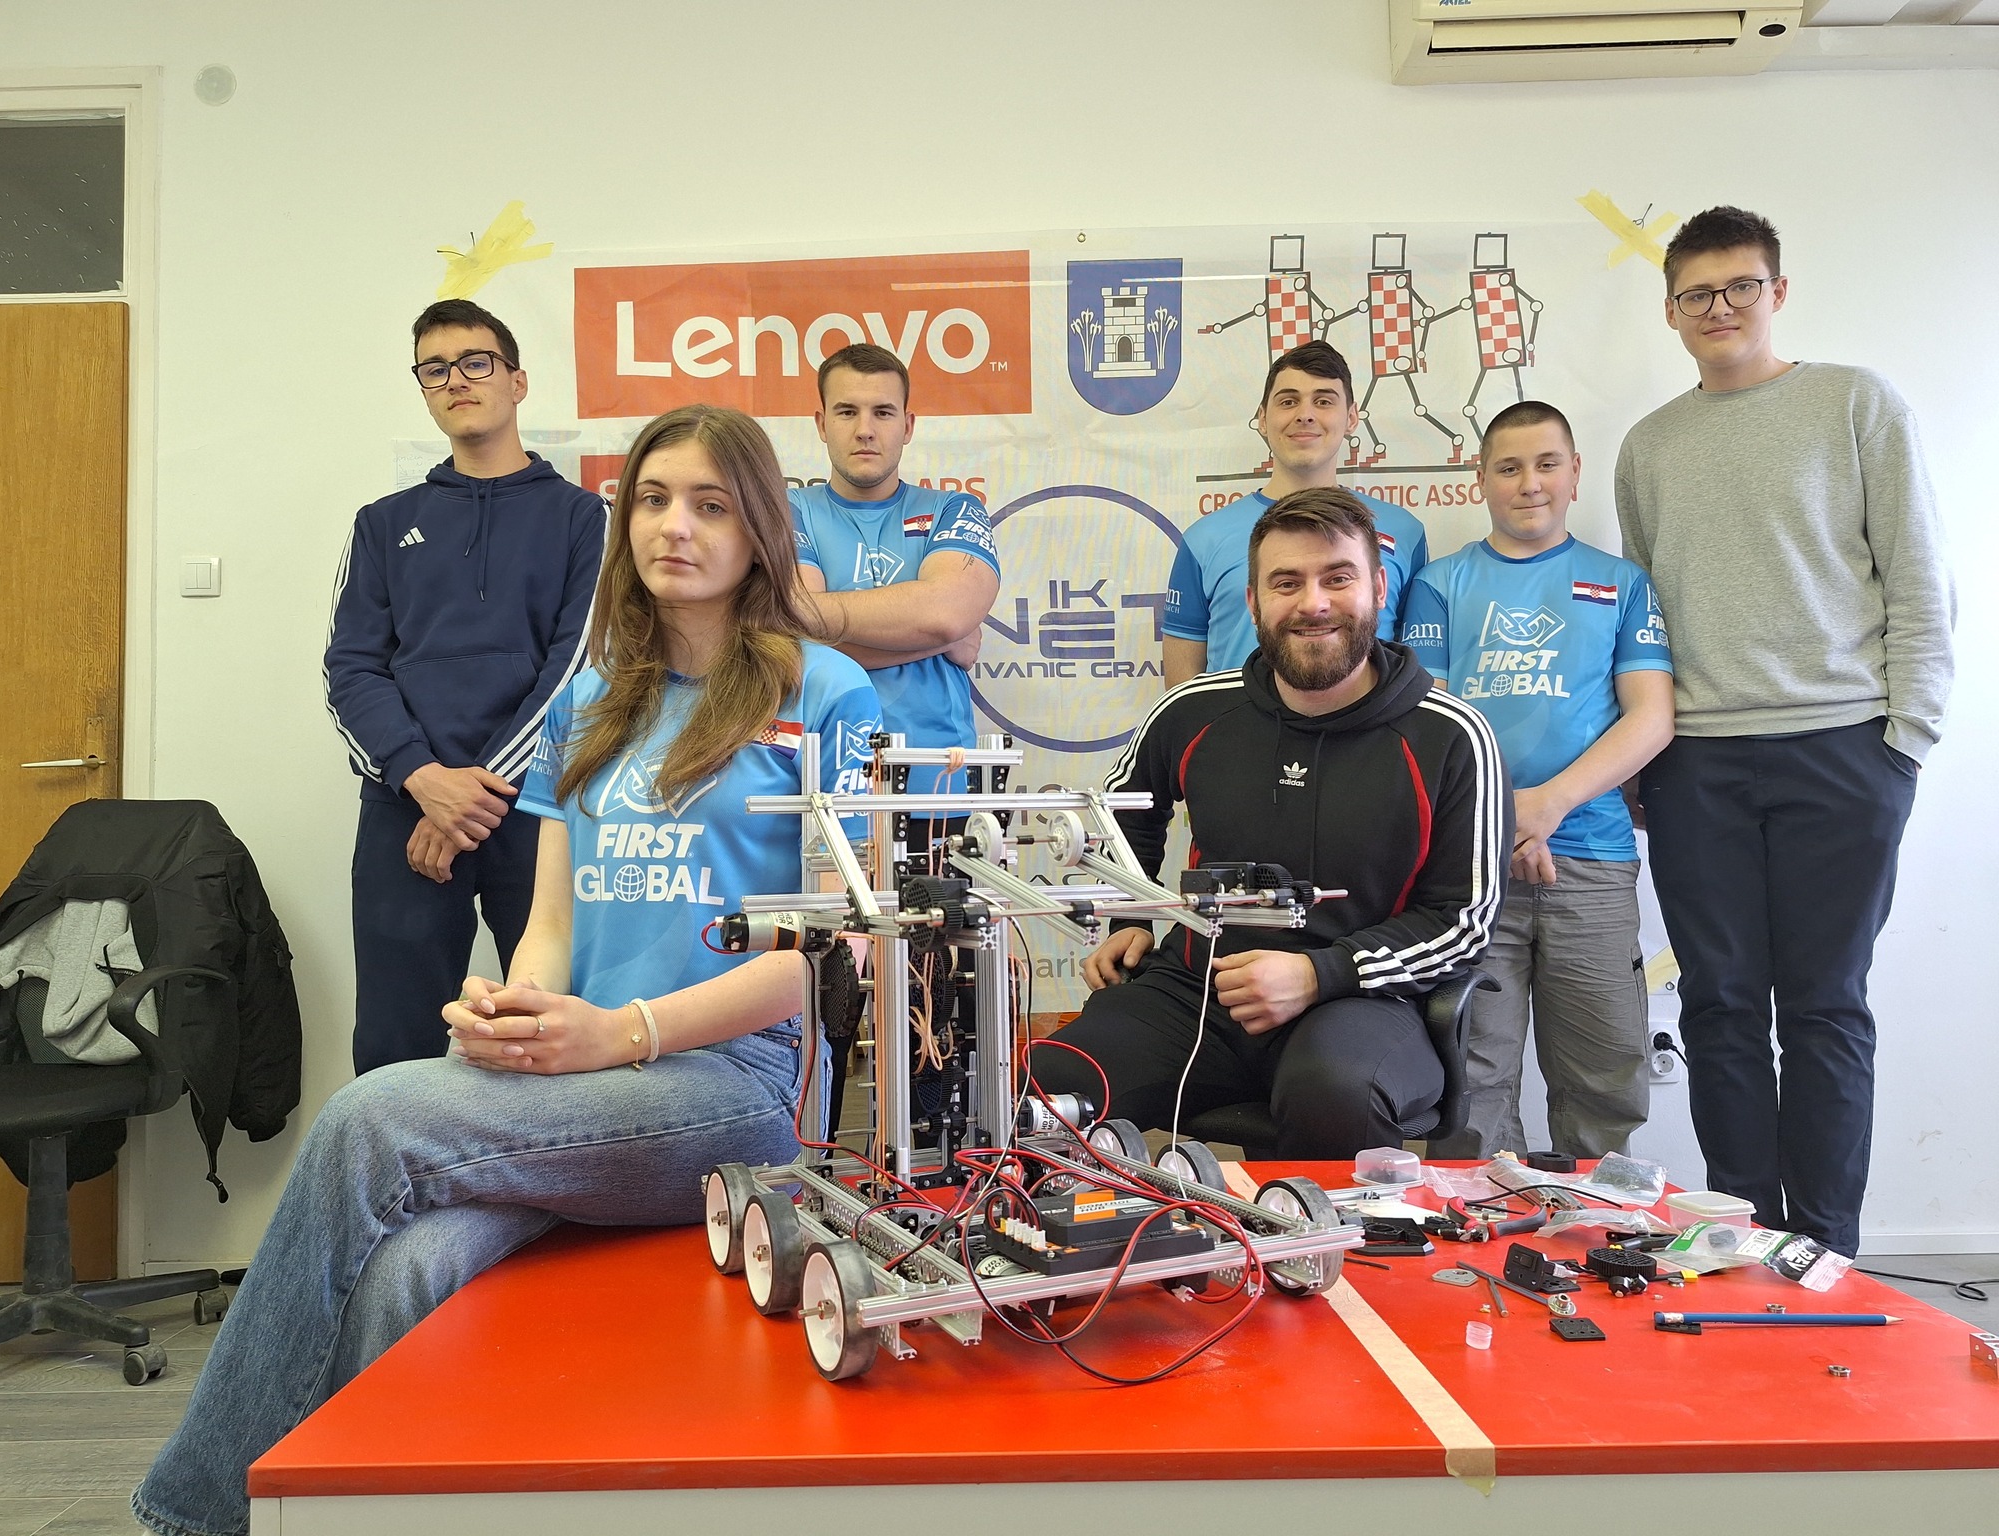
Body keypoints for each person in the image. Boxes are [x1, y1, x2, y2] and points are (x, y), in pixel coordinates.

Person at [134, 406, 882, 1536]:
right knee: (411, 1269)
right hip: (583, 1077)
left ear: (761, 529)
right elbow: (548, 921)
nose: (673, 527)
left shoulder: (826, 694)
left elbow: (831, 957)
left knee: (368, 1119)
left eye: (710, 505)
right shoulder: (591, 698)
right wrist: (518, 1001)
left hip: (738, 1090)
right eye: (652, 499)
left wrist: (619, 1032)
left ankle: (193, 1517)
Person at [1616, 206, 1954, 1256]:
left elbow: (1918, 574)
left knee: (1823, 1008)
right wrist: (1642, 757)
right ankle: (1742, 1239)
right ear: (1669, 310)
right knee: (1718, 1009)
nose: (1718, 307)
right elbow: (1643, 619)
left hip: (1843, 748)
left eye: (1740, 286)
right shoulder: (1648, 446)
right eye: (1696, 293)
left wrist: (1905, 740)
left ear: (1777, 292)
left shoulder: (1854, 403)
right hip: (1696, 762)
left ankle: (1825, 1253)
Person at [1033, 489, 1508, 1156]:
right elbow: (1118, 815)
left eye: (1337, 579)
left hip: (1364, 1002)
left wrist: (1321, 975)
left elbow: (1463, 922)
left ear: (1377, 590)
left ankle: (1320, 1231)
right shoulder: (1193, 711)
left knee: (1335, 1092)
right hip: (1197, 991)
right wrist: (1129, 916)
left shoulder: (1452, 736)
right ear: (1254, 603)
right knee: (1042, 1087)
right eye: (1287, 583)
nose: (1314, 603)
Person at [325, 299, 607, 1074]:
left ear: (517, 381)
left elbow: (581, 666)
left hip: (540, 811)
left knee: (556, 1033)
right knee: (394, 1048)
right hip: (407, 810)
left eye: (476, 362)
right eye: (435, 369)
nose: (456, 380)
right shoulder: (382, 524)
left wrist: (473, 799)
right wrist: (424, 780)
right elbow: (350, 668)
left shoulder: (587, 519)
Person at [1402, 400, 1674, 1160]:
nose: (1530, 483)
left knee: (1604, 1076)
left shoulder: (1622, 583)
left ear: (1575, 472)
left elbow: (1652, 718)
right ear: (1480, 478)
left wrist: (1545, 808)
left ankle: (1596, 1223)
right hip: (1470, 870)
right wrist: (1504, 823)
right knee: (1471, 1081)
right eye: (1510, 467)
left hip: (1592, 862)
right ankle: (1487, 1224)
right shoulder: (1439, 585)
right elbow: (1432, 730)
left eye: (1547, 464)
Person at [789, 342, 999, 783]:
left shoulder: (955, 508)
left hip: (937, 778)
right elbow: (787, 635)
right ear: (822, 424)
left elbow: (945, 614)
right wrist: (940, 640)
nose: (865, 430)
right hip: (819, 776)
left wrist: (945, 624)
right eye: (847, 412)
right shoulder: (784, 509)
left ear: (907, 425)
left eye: (882, 413)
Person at [1162, 340, 1426, 688]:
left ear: (1351, 418)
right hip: (1238, 723)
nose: (1305, 414)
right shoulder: (1203, 540)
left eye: (1323, 401)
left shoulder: (1405, 532)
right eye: (1288, 401)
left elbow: (1413, 666)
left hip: (1367, 723)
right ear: (1262, 418)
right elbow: (1182, 692)